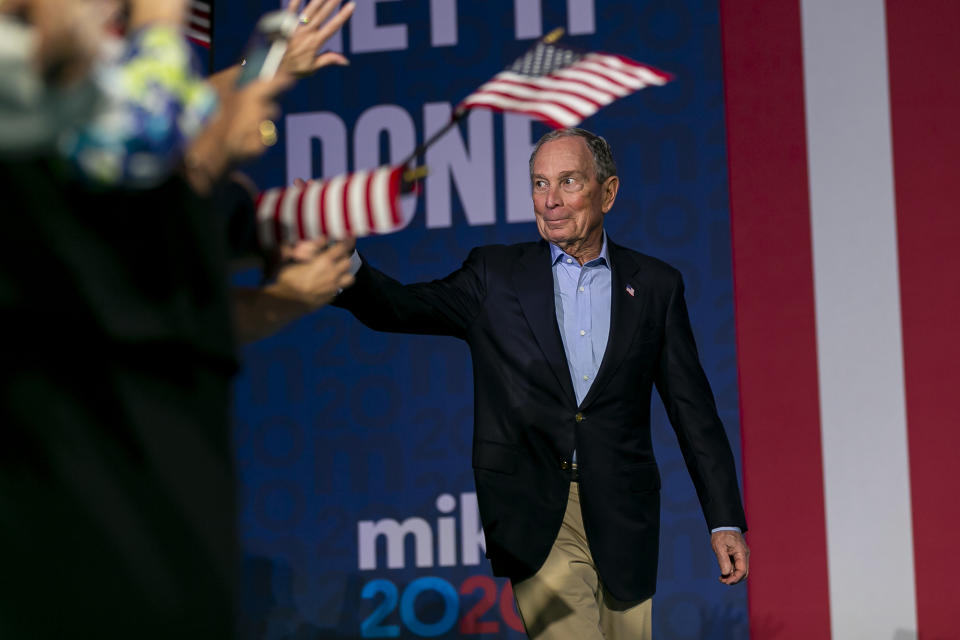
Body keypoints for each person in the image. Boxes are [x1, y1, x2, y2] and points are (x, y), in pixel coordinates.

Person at [334, 128, 749, 639]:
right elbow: (397, 307)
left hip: (623, 513)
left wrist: (723, 519)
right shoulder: (494, 274)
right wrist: (343, 263)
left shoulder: (657, 286)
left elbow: (694, 412)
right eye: (539, 183)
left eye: (568, 182)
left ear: (608, 193)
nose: (549, 201)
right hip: (534, 509)